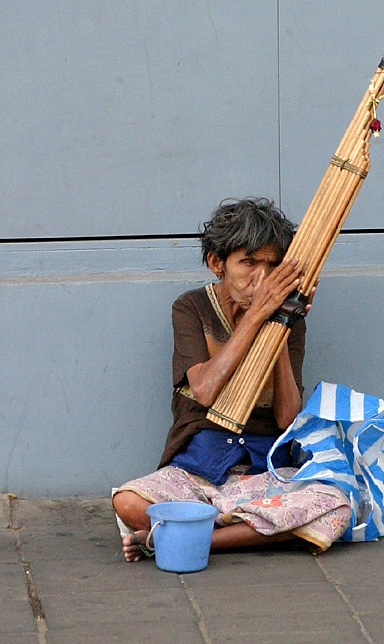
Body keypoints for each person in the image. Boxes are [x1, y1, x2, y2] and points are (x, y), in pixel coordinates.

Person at [112, 198, 351, 561]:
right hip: (198, 472)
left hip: (264, 474)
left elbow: (288, 419)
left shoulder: (292, 320)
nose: (261, 277)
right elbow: (205, 390)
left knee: (336, 505)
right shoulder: (190, 308)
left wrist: (281, 324)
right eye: (248, 262)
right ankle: (248, 530)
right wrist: (257, 315)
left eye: (272, 265)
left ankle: (189, 537)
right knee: (127, 502)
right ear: (216, 263)